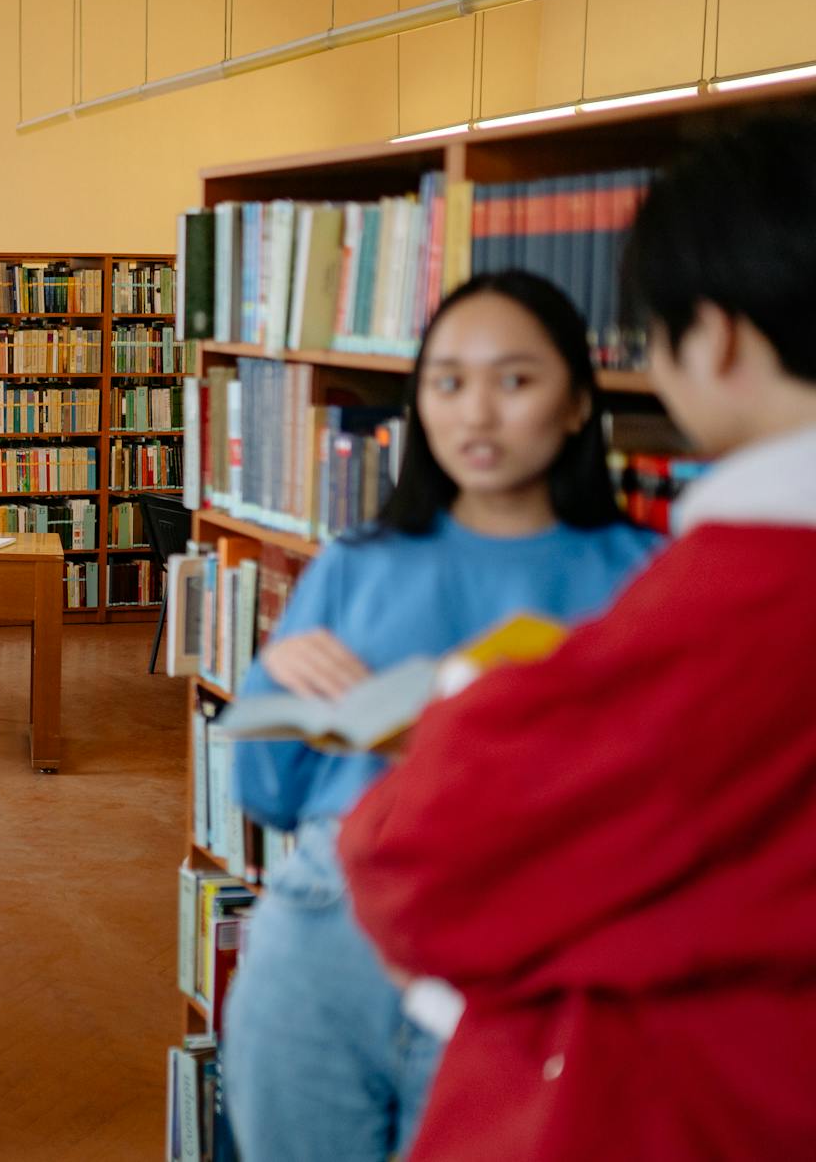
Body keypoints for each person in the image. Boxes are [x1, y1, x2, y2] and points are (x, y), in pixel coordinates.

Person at [338, 118, 816, 1161]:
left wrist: (467, 707)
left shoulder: (711, 601)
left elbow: (423, 865)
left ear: (715, 337)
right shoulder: (362, 558)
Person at [219, 272, 660, 1162]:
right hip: (325, 936)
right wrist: (272, 682)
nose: (478, 414)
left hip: (525, 959)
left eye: (515, 379)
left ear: (577, 403)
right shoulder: (356, 560)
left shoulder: (647, 577)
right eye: (449, 383)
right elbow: (265, 794)